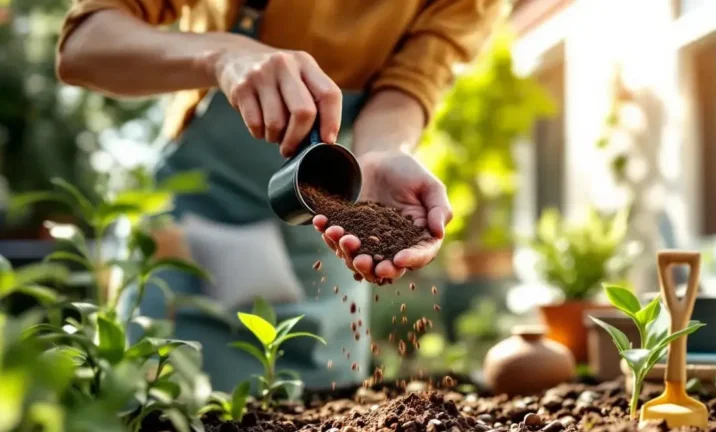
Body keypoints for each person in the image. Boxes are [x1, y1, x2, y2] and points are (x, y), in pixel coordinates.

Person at [56, 0, 502, 391]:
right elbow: (83, 44)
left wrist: (382, 151)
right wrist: (224, 54)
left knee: (327, 423)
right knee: (165, 406)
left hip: (329, 230)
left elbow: (409, 83)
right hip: (198, 225)